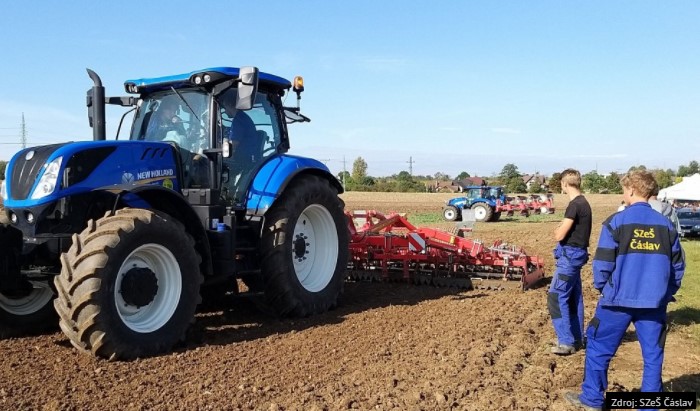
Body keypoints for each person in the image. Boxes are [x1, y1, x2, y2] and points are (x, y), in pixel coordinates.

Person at [564, 170, 685, 411]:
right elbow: (678, 267)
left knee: (598, 348)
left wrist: (605, 290)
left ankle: (593, 400)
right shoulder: (666, 226)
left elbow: (602, 265)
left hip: (615, 302)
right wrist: (664, 293)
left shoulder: (615, 222)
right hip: (654, 304)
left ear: (631, 190)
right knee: (653, 356)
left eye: (623, 190)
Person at [548, 168, 592, 355]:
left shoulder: (574, 205)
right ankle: (576, 337)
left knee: (556, 297)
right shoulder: (585, 203)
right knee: (574, 297)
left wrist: (558, 231)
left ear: (565, 184)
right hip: (577, 255)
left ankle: (566, 341)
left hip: (570, 257)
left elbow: (560, 233)